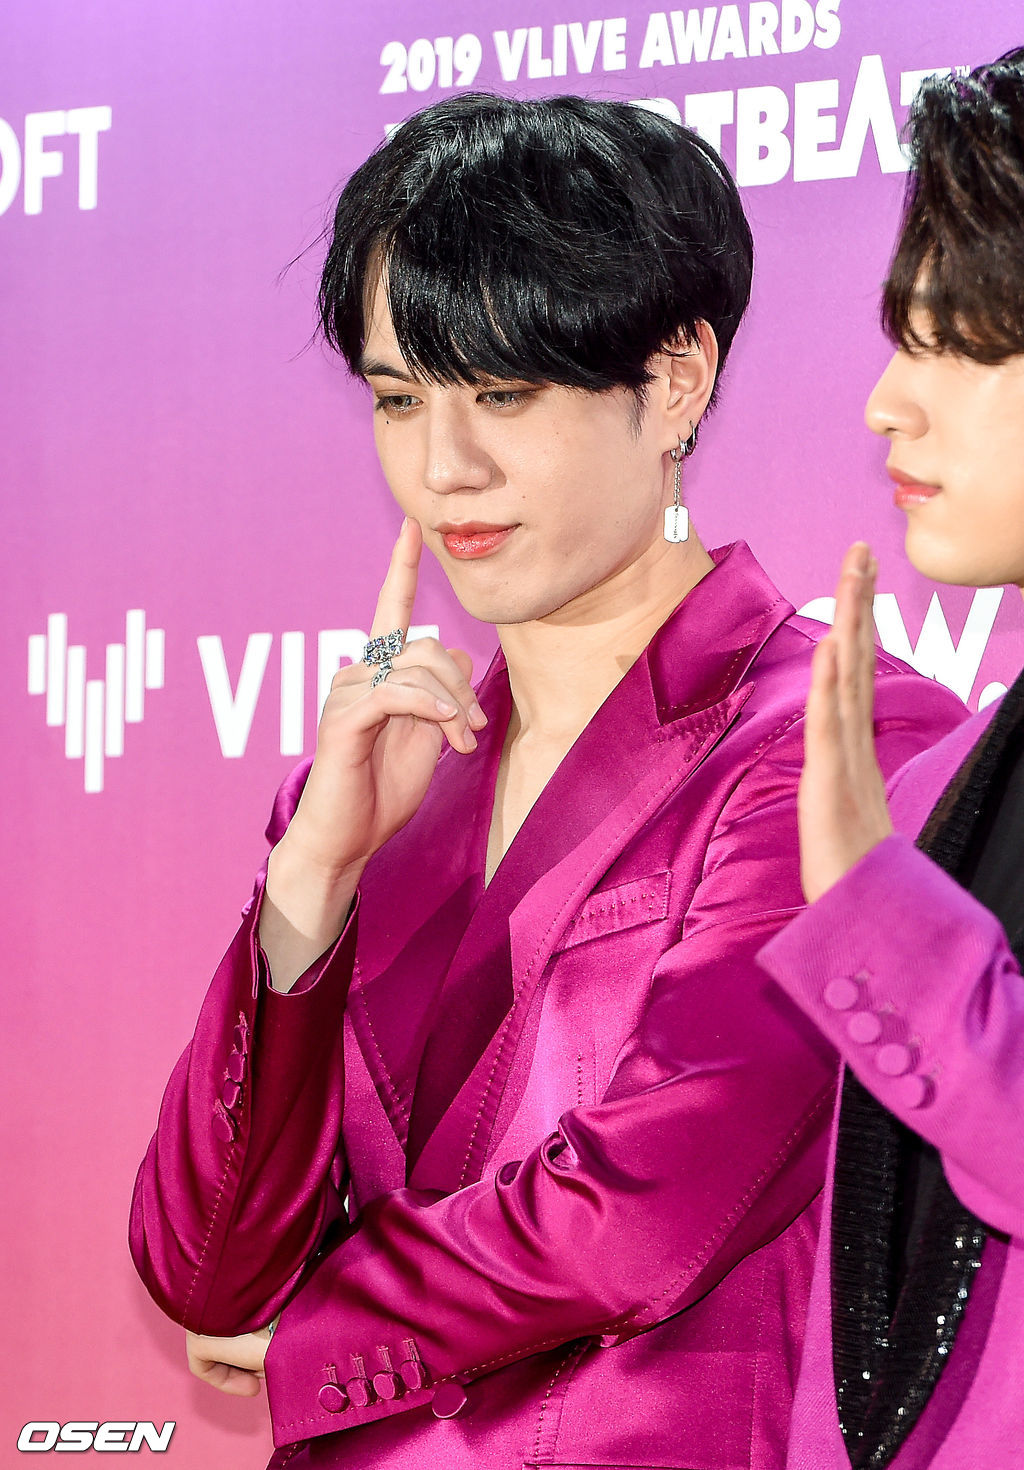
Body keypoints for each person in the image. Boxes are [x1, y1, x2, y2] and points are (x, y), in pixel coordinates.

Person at [129, 94, 960, 1469]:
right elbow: (208, 1276)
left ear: (675, 380)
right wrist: (310, 882)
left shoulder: (843, 741)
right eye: (401, 398)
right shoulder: (379, 781)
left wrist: (324, 1338)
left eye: (503, 393)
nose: (443, 465)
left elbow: (646, 1211)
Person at [758, 49, 1024, 1470]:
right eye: (899, 337)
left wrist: (872, 903)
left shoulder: (882, 843)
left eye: (959, 345)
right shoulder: (929, 791)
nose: (885, 403)